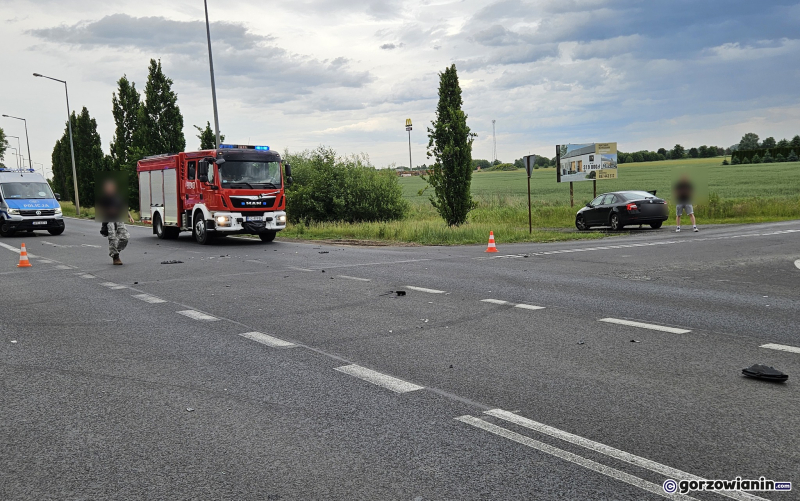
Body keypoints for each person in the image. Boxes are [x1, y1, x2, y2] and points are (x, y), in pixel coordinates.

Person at [97, 178, 129, 265]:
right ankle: (115, 257)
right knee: (113, 239)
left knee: (125, 238)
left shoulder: (118, 197)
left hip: (119, 219)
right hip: (109, 221)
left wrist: (129, 216)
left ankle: (116, 251)